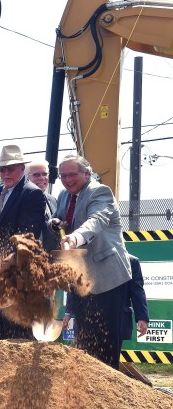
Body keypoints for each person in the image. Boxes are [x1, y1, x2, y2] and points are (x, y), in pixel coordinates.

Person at [49, 154, 131, 369]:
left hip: (107, 278)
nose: (68, 180)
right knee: (84, 339)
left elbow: (96, 221)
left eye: (73, 175)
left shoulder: (100, 192)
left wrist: (74, 238)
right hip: (81, 278)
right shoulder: (65, 195)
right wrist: (55, 222)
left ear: (87, 173)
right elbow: (62, 218)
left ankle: (109, 390)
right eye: (63, 176)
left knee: (106, 340)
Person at [0, 145, 45, 340]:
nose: (5, 173)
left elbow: (27, 237)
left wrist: (6, 262)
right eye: (2, 169)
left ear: (22, 168)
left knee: (18, 328)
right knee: (2, 325)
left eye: (10, 168)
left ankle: (24, 370)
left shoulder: (31, 194)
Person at [26, 159, 59, 252]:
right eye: (36, 175)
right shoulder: (20, 201)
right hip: (30, 257)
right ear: (26, 178)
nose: (41, 178)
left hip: (54, 258)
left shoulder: (53, 200)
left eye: (44, 174)